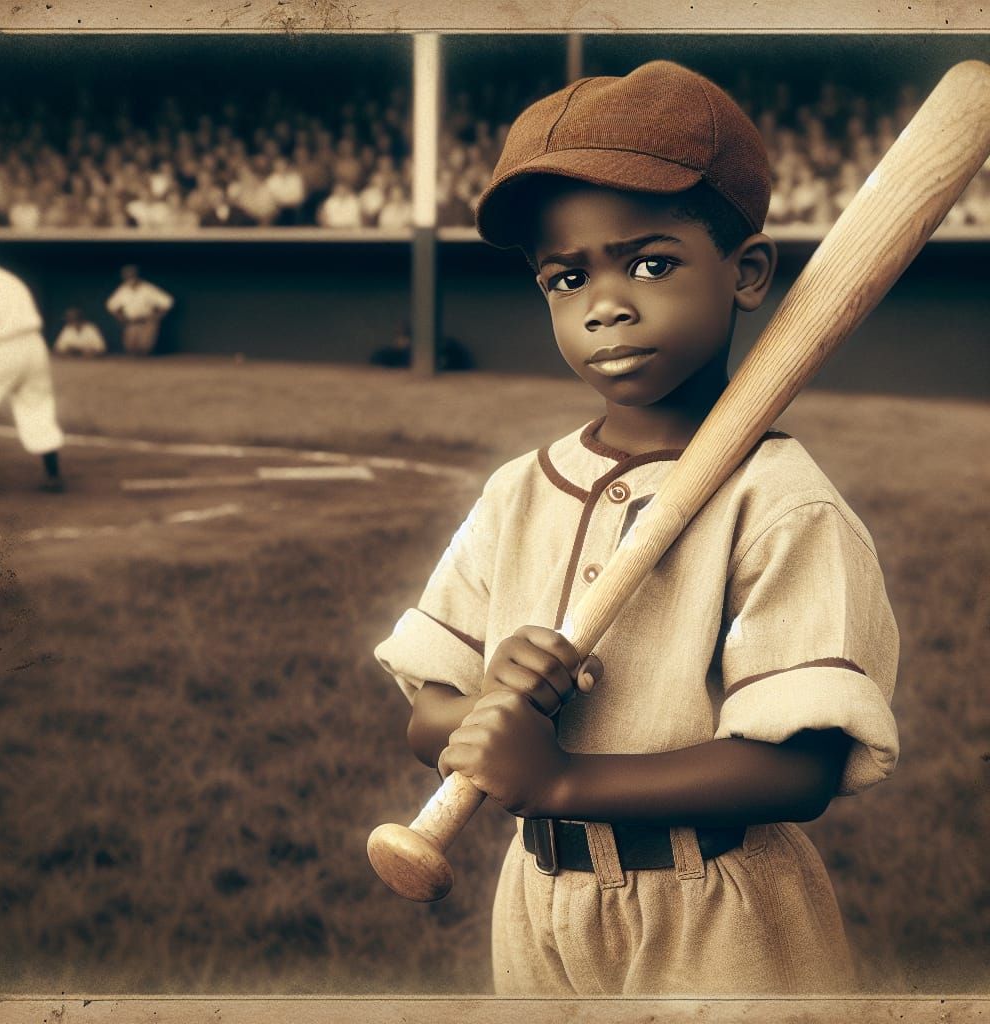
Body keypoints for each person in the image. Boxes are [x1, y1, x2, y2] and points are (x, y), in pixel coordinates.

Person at [374, 61, 899, 996]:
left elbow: (802, 768)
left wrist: (564, 783)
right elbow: (431, 717)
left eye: (651, 263)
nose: (605, 304)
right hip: (538, 904)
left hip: (718, 909)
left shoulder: (782, 500)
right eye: (567, 277)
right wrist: (493, 703)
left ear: (747, 273)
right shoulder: (516, 492)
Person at [0, 239, 66, 491]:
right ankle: (53, 474)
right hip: (34, 346)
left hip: (5, 349)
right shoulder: (11, 280)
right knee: (37, 405)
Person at [105, 264, 174, 356]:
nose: (129, 277)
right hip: (131, 323)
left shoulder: (148, 288)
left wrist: (157, 317)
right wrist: (120, 317)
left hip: (147, 322)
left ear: (137, 274)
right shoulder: (123, 290)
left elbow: (168, 302)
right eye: (126, 275)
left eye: (131, 274)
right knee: (131, 349)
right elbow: (111, 305)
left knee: (145, 349)